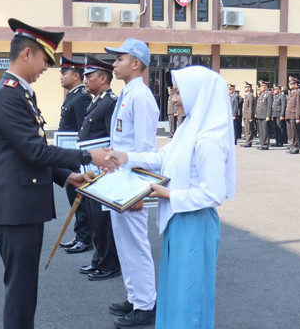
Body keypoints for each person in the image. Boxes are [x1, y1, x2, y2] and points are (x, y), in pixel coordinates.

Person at [0, 19, 107, 329]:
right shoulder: (9, 95)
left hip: (21, 207)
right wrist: (88, 156)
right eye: (44, 61)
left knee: (25, 290)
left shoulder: (22, 93)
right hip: (13, 210)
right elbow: (35, 152)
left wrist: (66, 176)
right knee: (21, 293)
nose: (46, 69)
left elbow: (32, 152)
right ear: (27, 54)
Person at [104, 66, 236, 329]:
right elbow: (163, 158)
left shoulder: (208, 139)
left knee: (189, 300)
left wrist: (168, 193)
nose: (173, 98)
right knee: (175, 294)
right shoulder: (189, 128)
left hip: (195, 223)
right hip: (180, 219)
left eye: (177, 92)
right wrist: (126, 157)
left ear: (196, 94)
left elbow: (213, 194)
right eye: (173, 91)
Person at [104, 38, 159, 328]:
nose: (114, 63)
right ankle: (135, 295)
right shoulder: (128, 92)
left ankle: (146, 304)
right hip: (118, 182)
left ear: (136, 63)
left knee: (136, 245)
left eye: (119, 58)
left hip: (131, 184)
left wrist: (140, 191)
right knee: (124, 244)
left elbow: (148, 152)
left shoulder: (141, 97)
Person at [76, 54, 121, 281]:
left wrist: (108, 165)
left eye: (89, 76)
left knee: (103, 220)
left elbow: (113, 140)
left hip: (103, 171)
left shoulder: (110, 102)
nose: (85, 80)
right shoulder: (97, 100)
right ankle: (98, 259)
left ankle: (108, 263)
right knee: (95, 218)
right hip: (91, 170)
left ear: (103, 78)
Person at [57, 56, 95, 254]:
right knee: (74, 198)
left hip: (76, 156)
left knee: (80, 198)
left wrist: (81, 160)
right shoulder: (73, 95)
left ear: (75, 75)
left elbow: (83, 131)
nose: (61, 77)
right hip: (68, 155)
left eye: (64, 73)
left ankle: (85, 238)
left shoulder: (81, 97)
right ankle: (80, 234)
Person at [285, 77, 300, 154]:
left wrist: (298, 117)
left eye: (291, 84)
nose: (289, 85)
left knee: (295, 132)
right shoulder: (291, 93)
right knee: (290, 133)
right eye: (289, 84)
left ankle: (296, 147)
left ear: (296, 85)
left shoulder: (298, 93)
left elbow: (299, 105)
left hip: (294, 115)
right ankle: (292, 145)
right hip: (289, 115)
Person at [255, 80, 273, 150]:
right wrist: (256, 113)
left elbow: (269, 106)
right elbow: (259, 105)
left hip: (265, 115)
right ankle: (262, 143)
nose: (261, 87)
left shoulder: (269, 94)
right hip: (260, 114)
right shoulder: (262, 94)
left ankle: (265, 144)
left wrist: (268, 116)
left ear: (265, 86)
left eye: (262, 86)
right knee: (261, 131)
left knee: (265, 130)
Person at [241, 82, 256, 148]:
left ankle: (249, 142)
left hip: (248, 115)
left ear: (250, 88)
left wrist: (250, 116)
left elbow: (250, 107)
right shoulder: (246, 95)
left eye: (246, 87)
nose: (245, 88)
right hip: (245, 114)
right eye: (245, 87)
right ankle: (247, 141)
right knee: (247, 129)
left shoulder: (250, 95)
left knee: (249, 129)